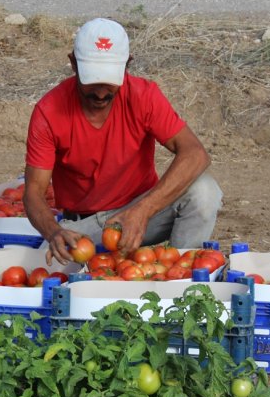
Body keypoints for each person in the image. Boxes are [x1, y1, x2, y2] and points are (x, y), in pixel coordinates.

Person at [23, 18, 222, 265]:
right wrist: (53, 232)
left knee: (204, 192)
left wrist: (142, 211)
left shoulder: (144, 95)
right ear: (73, 63)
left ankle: (180, 275)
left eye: (109, 81)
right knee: (48, 268)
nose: (100, 93)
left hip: (142, 212)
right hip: (85, 228)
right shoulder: (49, 110)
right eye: (92, 80)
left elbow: (195, 154)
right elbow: (33, 191)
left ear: (127, 65)